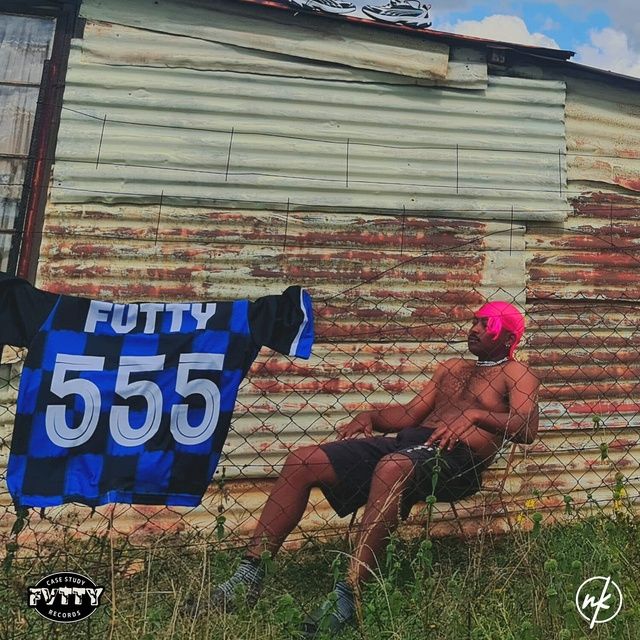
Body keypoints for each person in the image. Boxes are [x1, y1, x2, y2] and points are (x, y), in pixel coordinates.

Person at [207, 301, 539, 636]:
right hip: (408, 446)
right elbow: (410, 415)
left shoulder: (516, 373)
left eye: (485, 324)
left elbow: (527, 428)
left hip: (458, 461)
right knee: (303, 461)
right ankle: (247, 576)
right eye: (474, 322)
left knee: (392, 466)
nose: (474, 329)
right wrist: (371, 416)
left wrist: (476, 415)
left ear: (507, 337)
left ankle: (350, 593)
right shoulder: (452, 368)